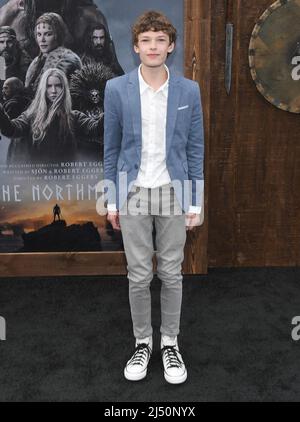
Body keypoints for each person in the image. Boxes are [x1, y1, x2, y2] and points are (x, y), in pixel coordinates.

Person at [104, 11, 204, 384]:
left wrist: (195, 202)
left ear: (171, 46)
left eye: (160, 40)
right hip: (131, 194)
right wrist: (111, 201)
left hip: (174, 194)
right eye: (146, 40)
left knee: (172, 273)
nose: (153, 47)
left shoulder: (188, 91)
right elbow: (110, 149)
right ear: (136, 47)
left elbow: (195, 148)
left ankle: (171, 343)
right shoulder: (116, 89)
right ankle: (143, 342)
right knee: (139, 275)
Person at [0, 68, 103, 163]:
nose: (53, 90)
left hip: (66, 178)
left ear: (64, 88)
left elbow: (96, 129)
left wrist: (111, 106)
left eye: (58, 85)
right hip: (36, 179)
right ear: (43, 89)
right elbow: (11, 130)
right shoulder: (31, 116)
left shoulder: (74, 117)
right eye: (49, 86)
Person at [25, 12, 82, 95]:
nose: (42, 39)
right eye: (39, 34)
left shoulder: (67, 61)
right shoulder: (36, 62)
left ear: (58, 35)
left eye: (48, 34)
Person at [1, 76, 32, 163]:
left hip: (15, 148)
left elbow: (7, 131)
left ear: (16, 88)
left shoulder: (12, 105)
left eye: (6, 88)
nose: (3, 91)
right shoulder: (30, 101)